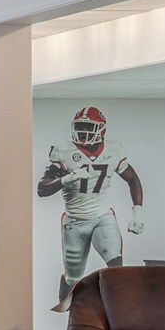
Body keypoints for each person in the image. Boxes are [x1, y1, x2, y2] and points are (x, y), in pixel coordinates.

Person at [38, 105, 145, 312]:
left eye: (88, 126)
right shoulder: (63, 150)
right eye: (80, 126)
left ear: (101, 129)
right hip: (74, 220)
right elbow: (42, 189)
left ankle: (119, 312)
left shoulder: (113, 150)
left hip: (102, 216)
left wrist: (137, 212)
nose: (83, 131)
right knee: (73, 277)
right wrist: (67, 178)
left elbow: (132, 179)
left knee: (116, 266)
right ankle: (71, 315)